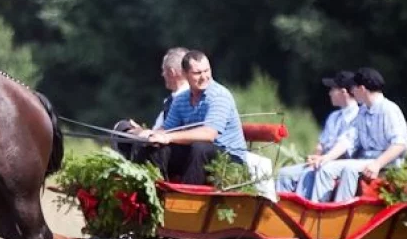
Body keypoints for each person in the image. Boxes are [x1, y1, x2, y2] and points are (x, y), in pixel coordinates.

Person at [131, 50, 276, 200]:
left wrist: (168, 137)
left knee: (200, 148)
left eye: (207, 71)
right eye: (197, 73)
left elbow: (209, 134)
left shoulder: (219, 96)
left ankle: (186, 200)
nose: (204, 77)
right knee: (156, 147)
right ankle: (151, 195)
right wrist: (148, 134)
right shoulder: (180, 100)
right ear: (185, 74)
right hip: (198, 154)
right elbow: (167, 129)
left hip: (229, 158)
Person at [304, 67, 407, 202]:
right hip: (364, 161)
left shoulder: (389, 109)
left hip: (386, 163)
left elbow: (400, 144)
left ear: (362, 89)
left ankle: (340, 209)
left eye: (354, 88)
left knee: (349, 170)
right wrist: (326, 158)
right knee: (325, 168)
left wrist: (377, 164)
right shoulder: (363, 111)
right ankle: (317, 208)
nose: (352, 92)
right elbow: (349, 139)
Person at [275, 71, 359, 197]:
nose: (330, 93)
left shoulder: (358, 116)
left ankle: (306, 206)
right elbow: (322, 143)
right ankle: (280, 205)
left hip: (338, 162)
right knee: (284, 174)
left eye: (333, 89)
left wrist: (324, 159)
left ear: (343, 92)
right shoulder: (334, 116)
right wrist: (315, 156)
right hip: (323, 160)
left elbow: (345, 144)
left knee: (309, 174)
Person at [112, 47, 188, 159]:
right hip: (162, 140)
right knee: (124, 127)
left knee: (123, 129)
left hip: (170, 151)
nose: (162, 74)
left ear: (172, 72)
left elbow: (166, 133)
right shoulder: (173, 99)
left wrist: (143, 133)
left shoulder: (182, 100)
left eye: (164, 70)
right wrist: (142, 131)